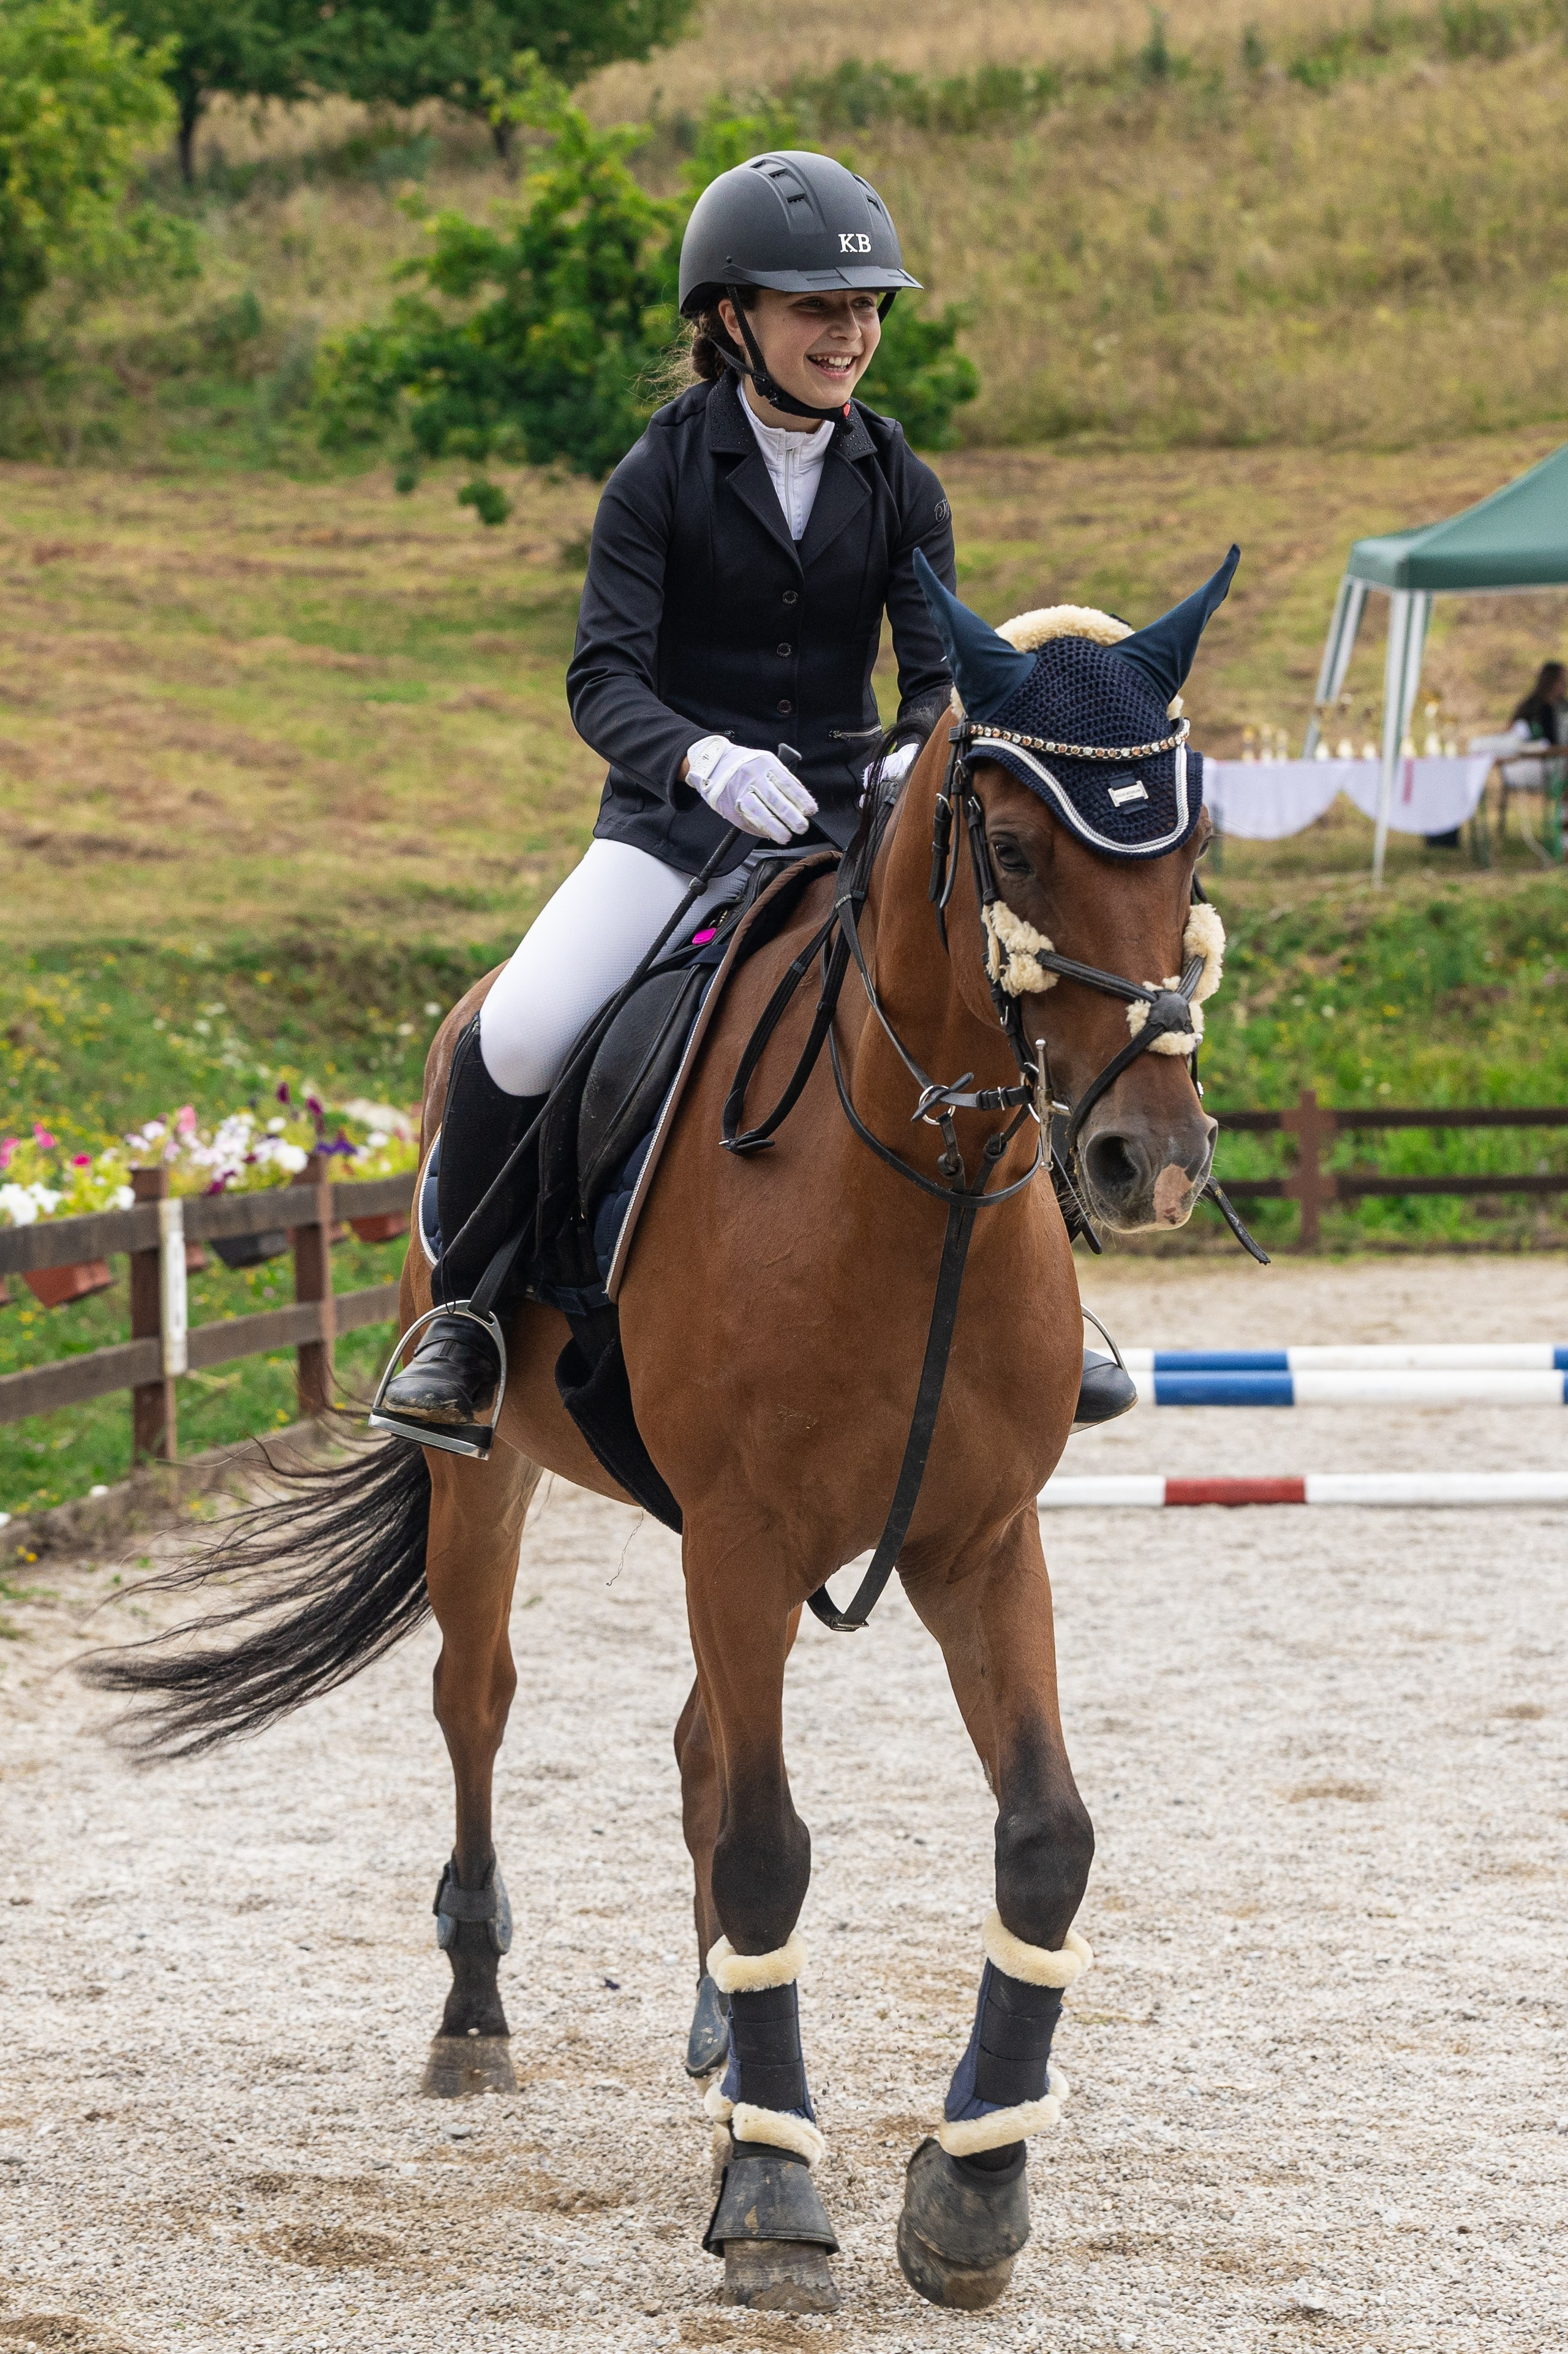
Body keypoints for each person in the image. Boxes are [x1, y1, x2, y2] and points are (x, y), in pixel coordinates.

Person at [382, 150, 1136, 1441]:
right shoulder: (657, 476)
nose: (848, 334)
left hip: (849, 823)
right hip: (673, 826)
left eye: (864, 310)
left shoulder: (898, 478)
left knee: (1001, 986)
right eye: (815, 309)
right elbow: (600, 678)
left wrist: (909, 753)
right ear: (730, 319)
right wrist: (698, 756)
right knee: (516, 1033)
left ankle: (1051, 1293)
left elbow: (937, 666)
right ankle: (467, 1317)